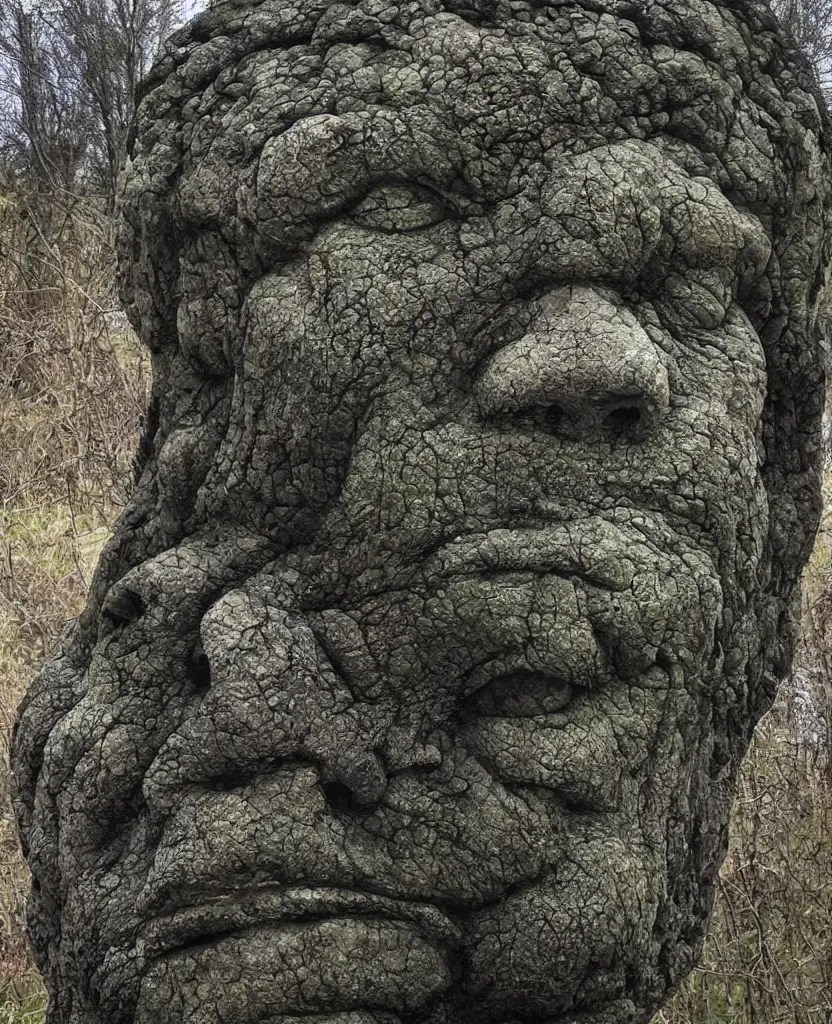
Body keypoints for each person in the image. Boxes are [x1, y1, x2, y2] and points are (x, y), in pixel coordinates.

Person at [13, 0, 831, 1021]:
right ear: (213, 306)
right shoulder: (193, 727)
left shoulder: (657, 635)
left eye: (696, 274)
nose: (604, 357)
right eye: (403, 207)